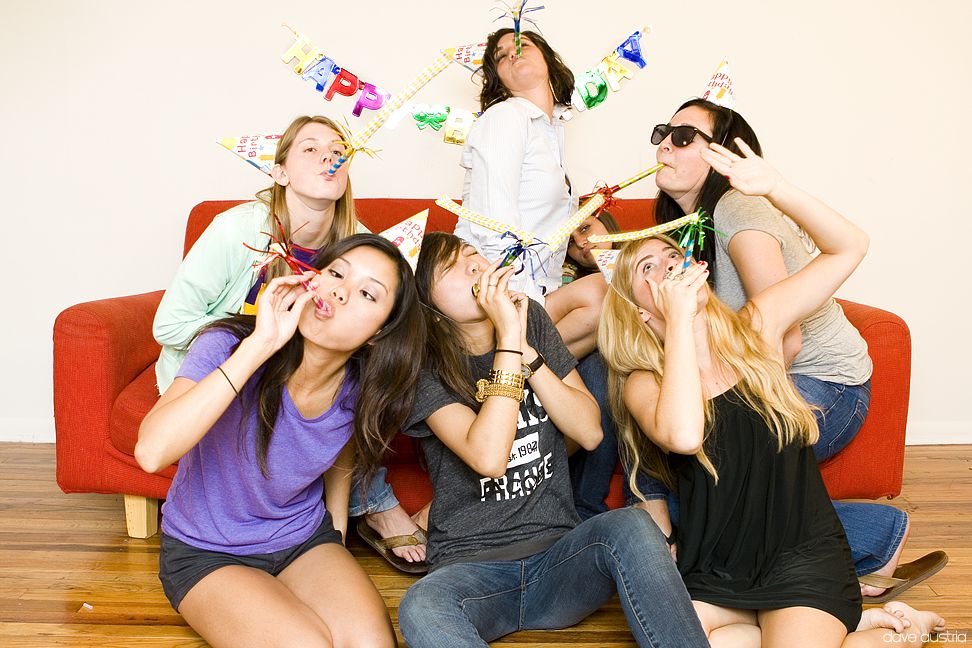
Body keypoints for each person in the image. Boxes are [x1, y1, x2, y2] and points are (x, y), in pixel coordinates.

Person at [599, 140, 944, 646]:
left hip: (800, 555)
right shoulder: (643, 383)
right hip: (716, 567)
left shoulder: (756, 327)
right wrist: (677, 324)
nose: (666, 266)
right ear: (639, 312)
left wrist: (778, 189)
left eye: (670, 254)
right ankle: (877, 627)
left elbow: (850, 246)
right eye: (645, 270)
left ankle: (887, 626)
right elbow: (685, 433)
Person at [396, 232, 709, 648]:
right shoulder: (422, 365)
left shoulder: (533, 322)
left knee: (633, 523)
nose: (473, 266)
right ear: (429, 308)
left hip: (560, 559)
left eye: (473, 254)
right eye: (452, 267)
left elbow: (590, 432)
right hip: (471, 568)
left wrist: (526, 348)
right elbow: (487, 457)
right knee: (420, 605)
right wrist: (508, 340)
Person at [152, 115, 427, 570]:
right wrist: (266, 330)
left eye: (338, 148)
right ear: (279, 173)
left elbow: (382, 330)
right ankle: (373, 503)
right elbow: (169, 326)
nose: (328, 156)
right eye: (310, 148)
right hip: (226, 371)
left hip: (307, 376)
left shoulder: (357, 248)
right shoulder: (234, 230)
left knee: (352, 379)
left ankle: (344, 521)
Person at [136, 234, 424, 648]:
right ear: (311, 281)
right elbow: (151, 452)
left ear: (380, 333)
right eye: (336, 274)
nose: (341, 292)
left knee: (372, 644)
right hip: (207, 552)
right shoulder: (229, 345)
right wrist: (260, 345)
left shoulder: (363, 387)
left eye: (366, 293)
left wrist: (337, 533)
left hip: (301, 538)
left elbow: (342, 452)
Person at [459, 28, 607, 358]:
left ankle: (522, 369)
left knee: (616, 298)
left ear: (548, 59)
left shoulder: (552, 132)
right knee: (602, 294)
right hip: (496, 292)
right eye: (500, 55)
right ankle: (510, 356)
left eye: (521, 45)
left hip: (537, 290)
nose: (511, 53)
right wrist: (518, 307)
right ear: (497, 77)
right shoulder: (505, 117)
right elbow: (493, 225)